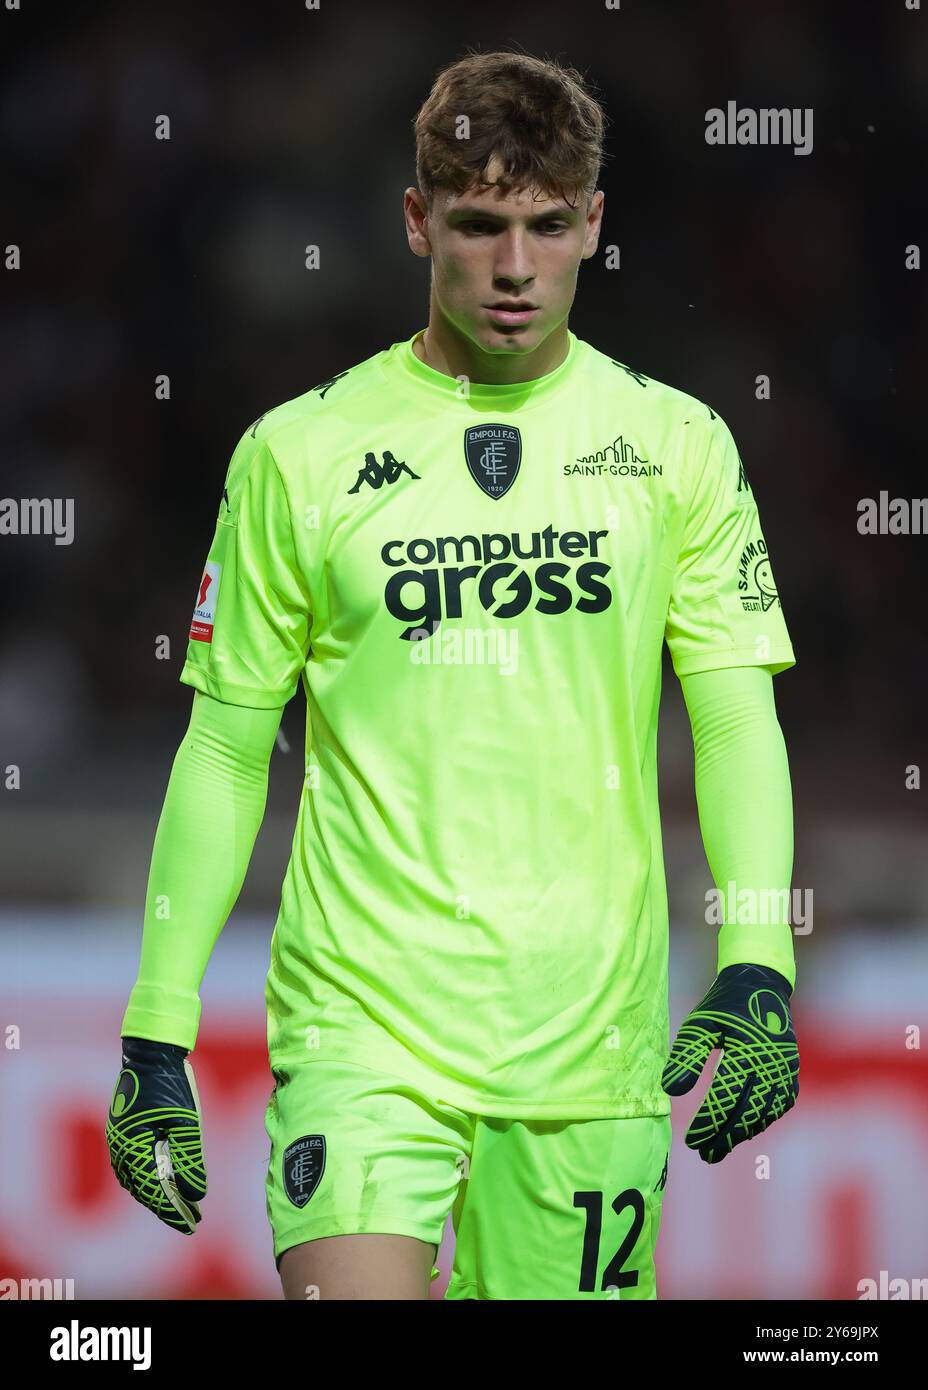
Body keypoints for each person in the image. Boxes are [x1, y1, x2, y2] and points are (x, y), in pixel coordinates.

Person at [106, 49, 799, 1301]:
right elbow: (222, 749)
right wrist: (157, 1027)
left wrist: (758, 959)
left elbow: (737, 717)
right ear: (419, 218)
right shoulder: (300, 454)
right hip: (363, 1032)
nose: (515, 268)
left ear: (595, 221)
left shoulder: (677, 444)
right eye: (479, 225)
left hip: (590, 1044)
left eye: (546, 226)